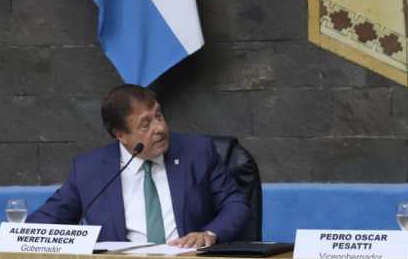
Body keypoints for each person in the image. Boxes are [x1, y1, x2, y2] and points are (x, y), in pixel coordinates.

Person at [27, 84, 250, 247]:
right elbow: (46, 221)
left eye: (159, 116)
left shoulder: (198, 152)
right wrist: (13, 236)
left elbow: (236, 205)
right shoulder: (89, 169)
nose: (160, 128)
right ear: (120, 135)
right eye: (146, 124)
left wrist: (209, 234)